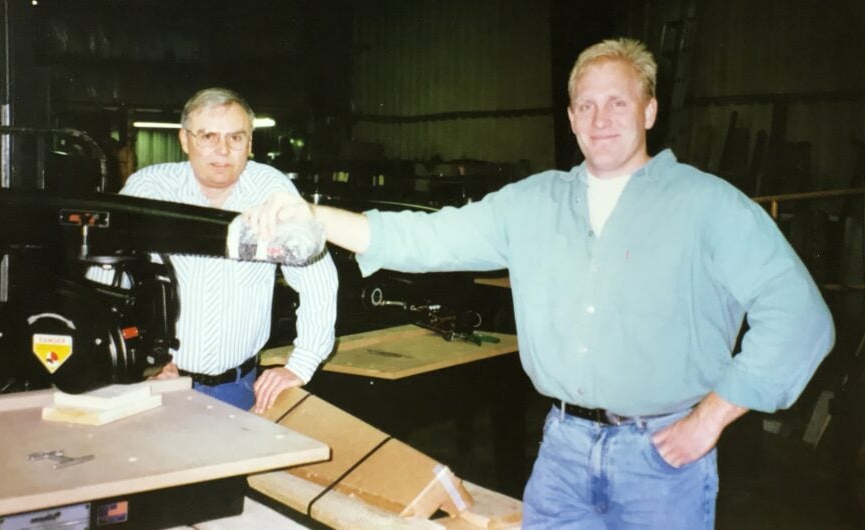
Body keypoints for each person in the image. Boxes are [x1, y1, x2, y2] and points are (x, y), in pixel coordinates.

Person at [245, 38, 834, 528]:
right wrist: (318, 218)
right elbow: (430, 239)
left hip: (661, 458)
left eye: (617, 103)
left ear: (649, 110)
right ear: (571, 115)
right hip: (562, 449)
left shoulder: (709, 205)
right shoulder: (534, 202)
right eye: (585, 105)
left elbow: (799, 317)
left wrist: (711, 418)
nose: (600, 119)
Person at [120, 87, 337, 414]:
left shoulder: (271, 191)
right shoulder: (148, 188)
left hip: (240, 388)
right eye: (207, 136)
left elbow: (317, 277)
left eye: (235, 138)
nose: (222, 150)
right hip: (158, 384)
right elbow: (107, 280)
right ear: (184, 140)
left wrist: (302, 363)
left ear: (249, 143)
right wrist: (133, 363)